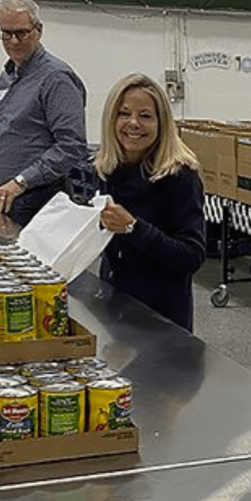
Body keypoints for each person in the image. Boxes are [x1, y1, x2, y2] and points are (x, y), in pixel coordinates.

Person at [0, 0, 88, 226]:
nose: (13, 41)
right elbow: (0, 140)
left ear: (38, 30)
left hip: (40, 199)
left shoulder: (56, 79)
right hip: (6, 195)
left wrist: (21, 181)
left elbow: (71, 146)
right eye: (6, 33)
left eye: (21, 33)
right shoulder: (6, 77)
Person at [95, 73, 207, 331]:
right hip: (114, 308)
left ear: (161, 123)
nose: (133, 123)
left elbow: (191, 256)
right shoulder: (106, 170)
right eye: (124, 114)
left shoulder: (180, 176)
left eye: (145, 116)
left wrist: (134, 227)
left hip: (161, 319)